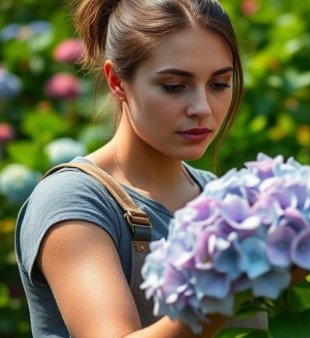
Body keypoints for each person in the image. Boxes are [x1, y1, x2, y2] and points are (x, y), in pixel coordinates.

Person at [14, 0, 253, 336]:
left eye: (219, 84)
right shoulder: (73, 200)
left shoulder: (218, 195)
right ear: (116, 82)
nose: (202, 108)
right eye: (174, 86)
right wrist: (236, 283)